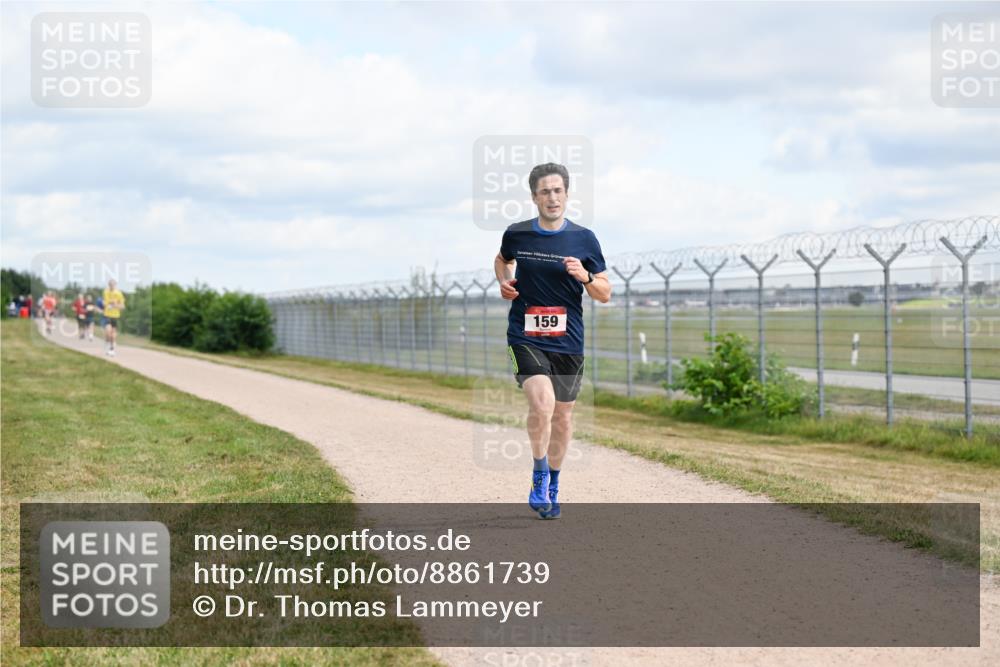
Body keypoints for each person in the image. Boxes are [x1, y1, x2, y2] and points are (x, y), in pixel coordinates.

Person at [493, 162, 611, 519]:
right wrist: (505, 280)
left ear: (567, 194)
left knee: (562, 417)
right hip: (525, 335)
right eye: (545, 191)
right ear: (534, 197)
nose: (552, 197)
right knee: (542, 403)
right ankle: (539, 474)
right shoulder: (517, 234)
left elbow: (604, 293)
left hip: (568, 341)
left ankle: (555, 482)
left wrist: (586, 276)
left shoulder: (584, 238)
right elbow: (501, 260)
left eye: (558, 190)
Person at [102, 279, 126, 356]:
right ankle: (108, 342)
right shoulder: (106, 292)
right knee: (108, 331)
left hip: (115, 316)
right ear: (108, 285)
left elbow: (122, 306)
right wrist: (108, 304)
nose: (111, 286)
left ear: (115, 285)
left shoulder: (119, 293)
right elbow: (104, 303)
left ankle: (112, 349)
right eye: (110, 284)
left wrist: (115, 305)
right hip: (107, 315)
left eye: (113, 284)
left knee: (113, 333)